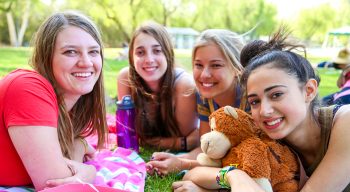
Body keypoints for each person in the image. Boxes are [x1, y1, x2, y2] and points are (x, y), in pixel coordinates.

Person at [178, 28, 350, 192]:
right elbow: (194, 175)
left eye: (276, 95)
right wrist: (234, 175)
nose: (264, 111)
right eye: (254, 101)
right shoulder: (266, 135)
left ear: (309, 90)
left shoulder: (345, 122)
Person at [0, 11, 108, 191]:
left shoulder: (69, 106)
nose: (86, 62)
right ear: (46, 56)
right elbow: (54, 184)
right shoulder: (27, 88)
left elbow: (70, 158)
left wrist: (79, 144)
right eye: (71, 52)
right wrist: (89, 172)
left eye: (93, 52)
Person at [148, 29, 245, 177]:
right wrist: (175, 159)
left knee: (193, 177)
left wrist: (184, 164)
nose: (205, 75)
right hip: (229, 169)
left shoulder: (250, 98)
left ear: (237, 68)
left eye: (216, 65)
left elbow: (247, 159)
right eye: (199, 65)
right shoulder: (205, 96)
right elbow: (205, 149)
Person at [117, 21, 199, 152]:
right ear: (132, 57)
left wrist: (154, 142)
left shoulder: (184, 86)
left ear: (167, 54)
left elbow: (190, 140)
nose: (149, 59)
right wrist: (179, 142)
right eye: (140, 52)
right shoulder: (125, 79)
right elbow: (130, 135)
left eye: (157, 51)